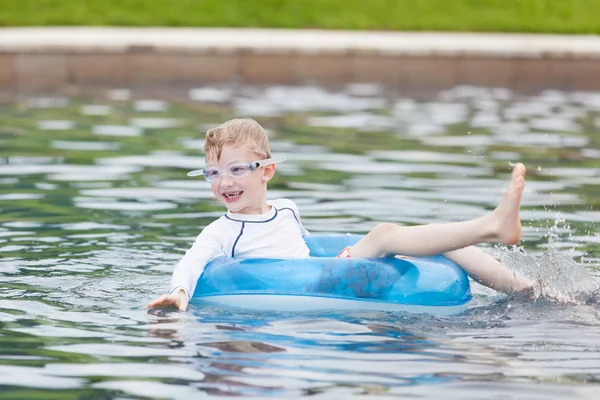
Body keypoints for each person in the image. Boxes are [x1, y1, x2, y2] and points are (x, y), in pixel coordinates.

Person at [147, 118, 533, 311]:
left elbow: (307, 249)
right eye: (213, 173)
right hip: (317, 284)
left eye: (236, 169)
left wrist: (342, 259)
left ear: (266, 171)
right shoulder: (221, 231)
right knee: (383, 234)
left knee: (441, 246)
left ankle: (525, 289)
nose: (223, 182)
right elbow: (192, 261)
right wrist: (178, 294)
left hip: (325, 273)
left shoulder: (286, 209)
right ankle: (490, 225)